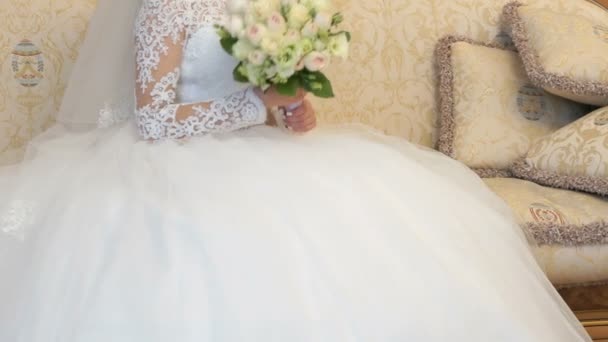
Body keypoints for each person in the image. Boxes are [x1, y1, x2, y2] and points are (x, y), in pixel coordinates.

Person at [0, 0, 591, 341]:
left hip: (253, 149)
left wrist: (290, 107)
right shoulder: (166, 4)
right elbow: (156, 119)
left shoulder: (258, 7)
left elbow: (264, 89)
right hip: (170, 161)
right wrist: (257, 106)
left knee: (379, 219)